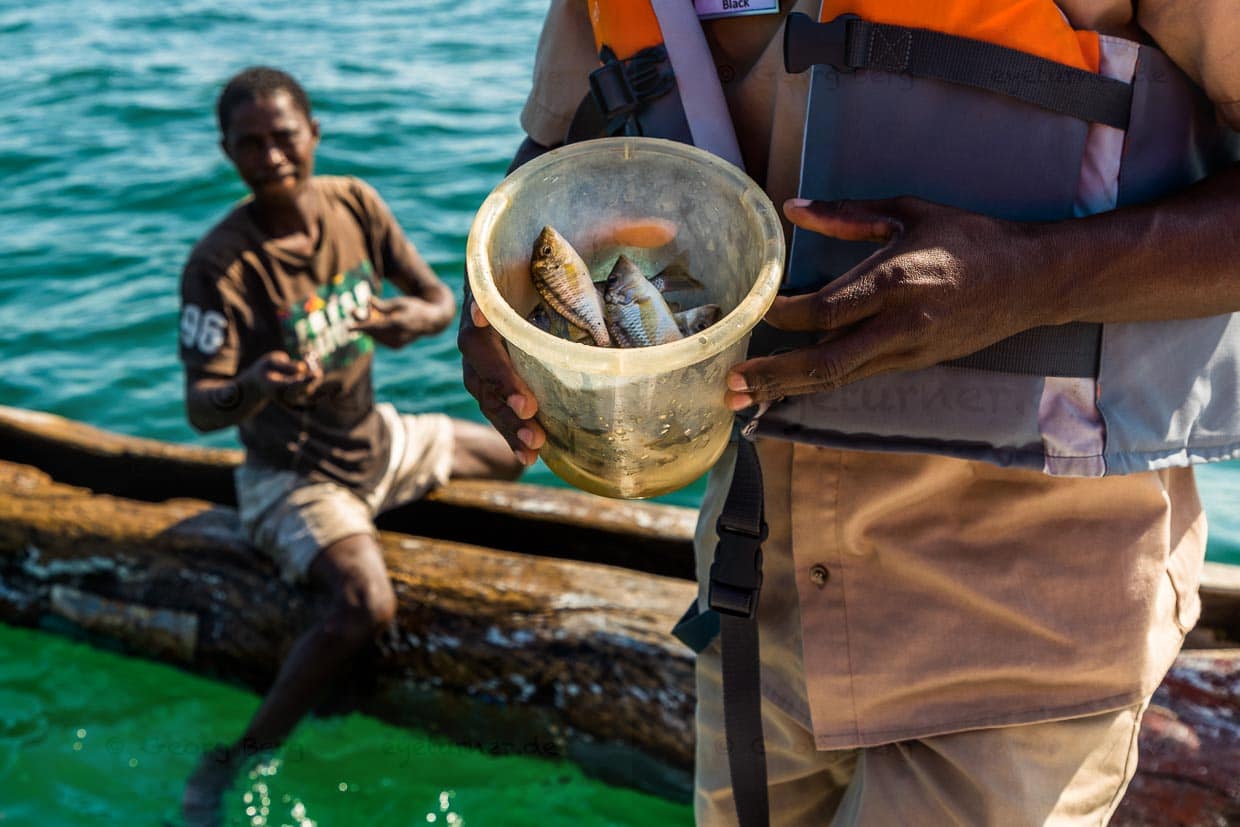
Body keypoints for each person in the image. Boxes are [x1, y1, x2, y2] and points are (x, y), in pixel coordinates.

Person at [459, 2, 1240, 825]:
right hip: (754, 591)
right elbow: (556, 159)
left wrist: (1034, 276)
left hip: (1026, 617)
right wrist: (493, 303)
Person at [178, 66, 522, 824]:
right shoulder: (222, 265)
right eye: (249, 144)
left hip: (380, 440)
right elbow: (203, 408)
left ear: (314, 135)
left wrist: (412, 322)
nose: (270, 157)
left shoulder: (354, 203)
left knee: (531, 442)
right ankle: (232, 758)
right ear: (227, 152)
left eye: (284, 137)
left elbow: (437, 300)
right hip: (294, 477)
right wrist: (257, 384)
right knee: (365, 604)